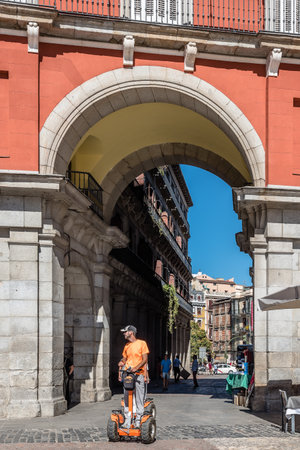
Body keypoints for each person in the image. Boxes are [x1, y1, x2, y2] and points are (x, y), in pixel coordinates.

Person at [118, 325, 149, 429]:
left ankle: (139, 419)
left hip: (138, 374)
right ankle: (127, 419)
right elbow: (124, 359)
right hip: (128, 374)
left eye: (125, 332)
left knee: (139, 397)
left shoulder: (142, 343)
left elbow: (144, 359)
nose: (124, 333)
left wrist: (136, 368)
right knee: (127, 396)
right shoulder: (126, 346)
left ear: (131, 332)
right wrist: (121, 362)